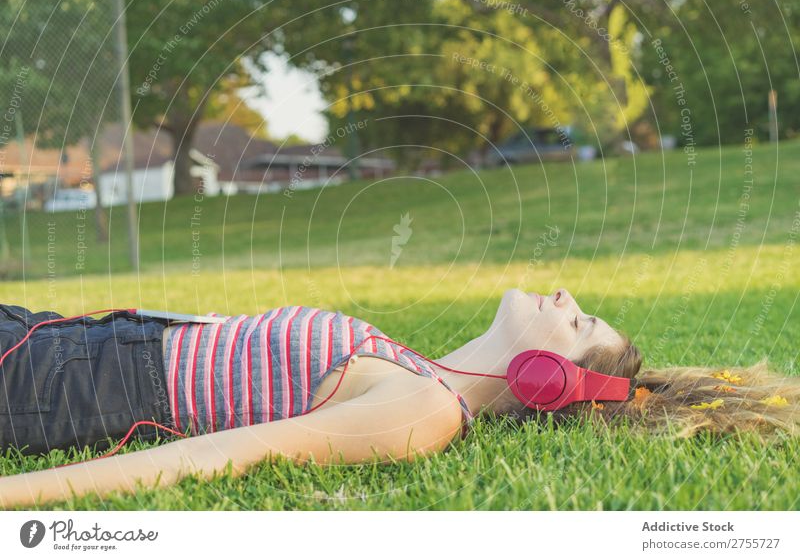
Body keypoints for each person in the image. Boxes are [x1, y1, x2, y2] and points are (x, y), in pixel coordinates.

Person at [0, 288, 797, 508]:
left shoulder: (423, 410)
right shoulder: (410, 363)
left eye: (577, 319)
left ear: (548, 381)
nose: (562, 294)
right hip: (55, 340)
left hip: (59, 386)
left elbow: (210, 456)